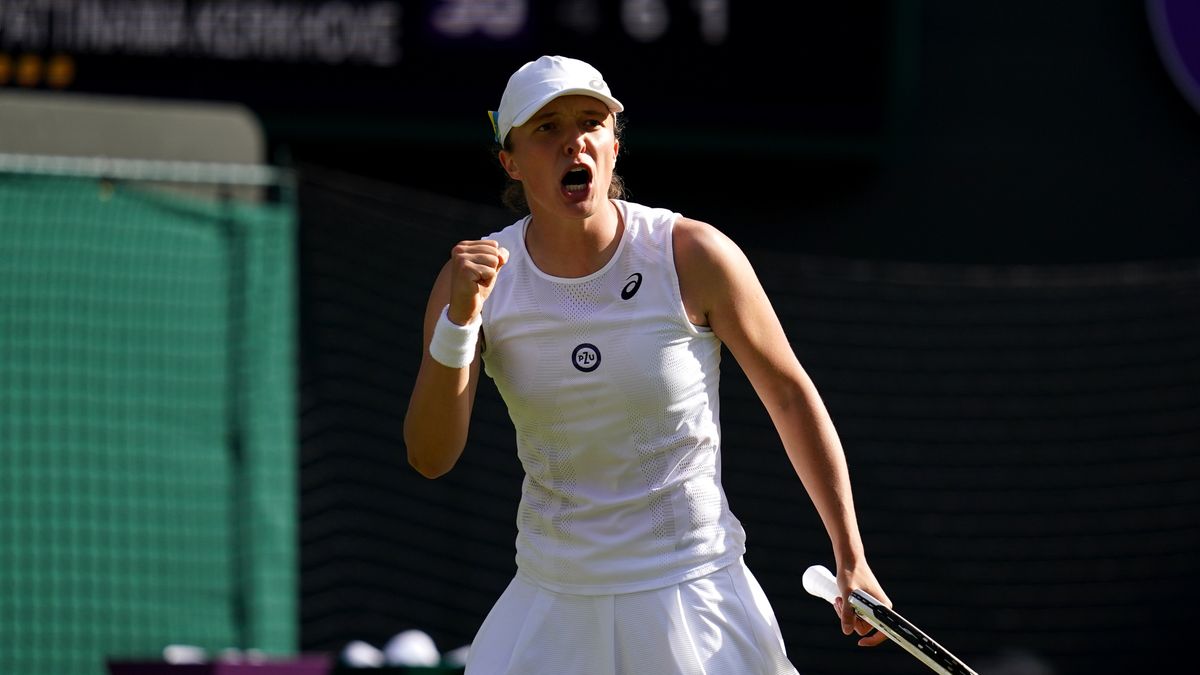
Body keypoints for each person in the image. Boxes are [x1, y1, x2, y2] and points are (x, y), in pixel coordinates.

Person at [403, 54, 890, 674]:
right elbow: (430, 455)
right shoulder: (471, 282)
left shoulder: (692, 253)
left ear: (612, 144)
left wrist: (852, 555)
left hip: (697, 594)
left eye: (590, 122)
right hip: (551, 605)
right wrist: (459, 325)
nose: (573, 140)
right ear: (511, 160)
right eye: (546, 129)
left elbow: (790, 398)